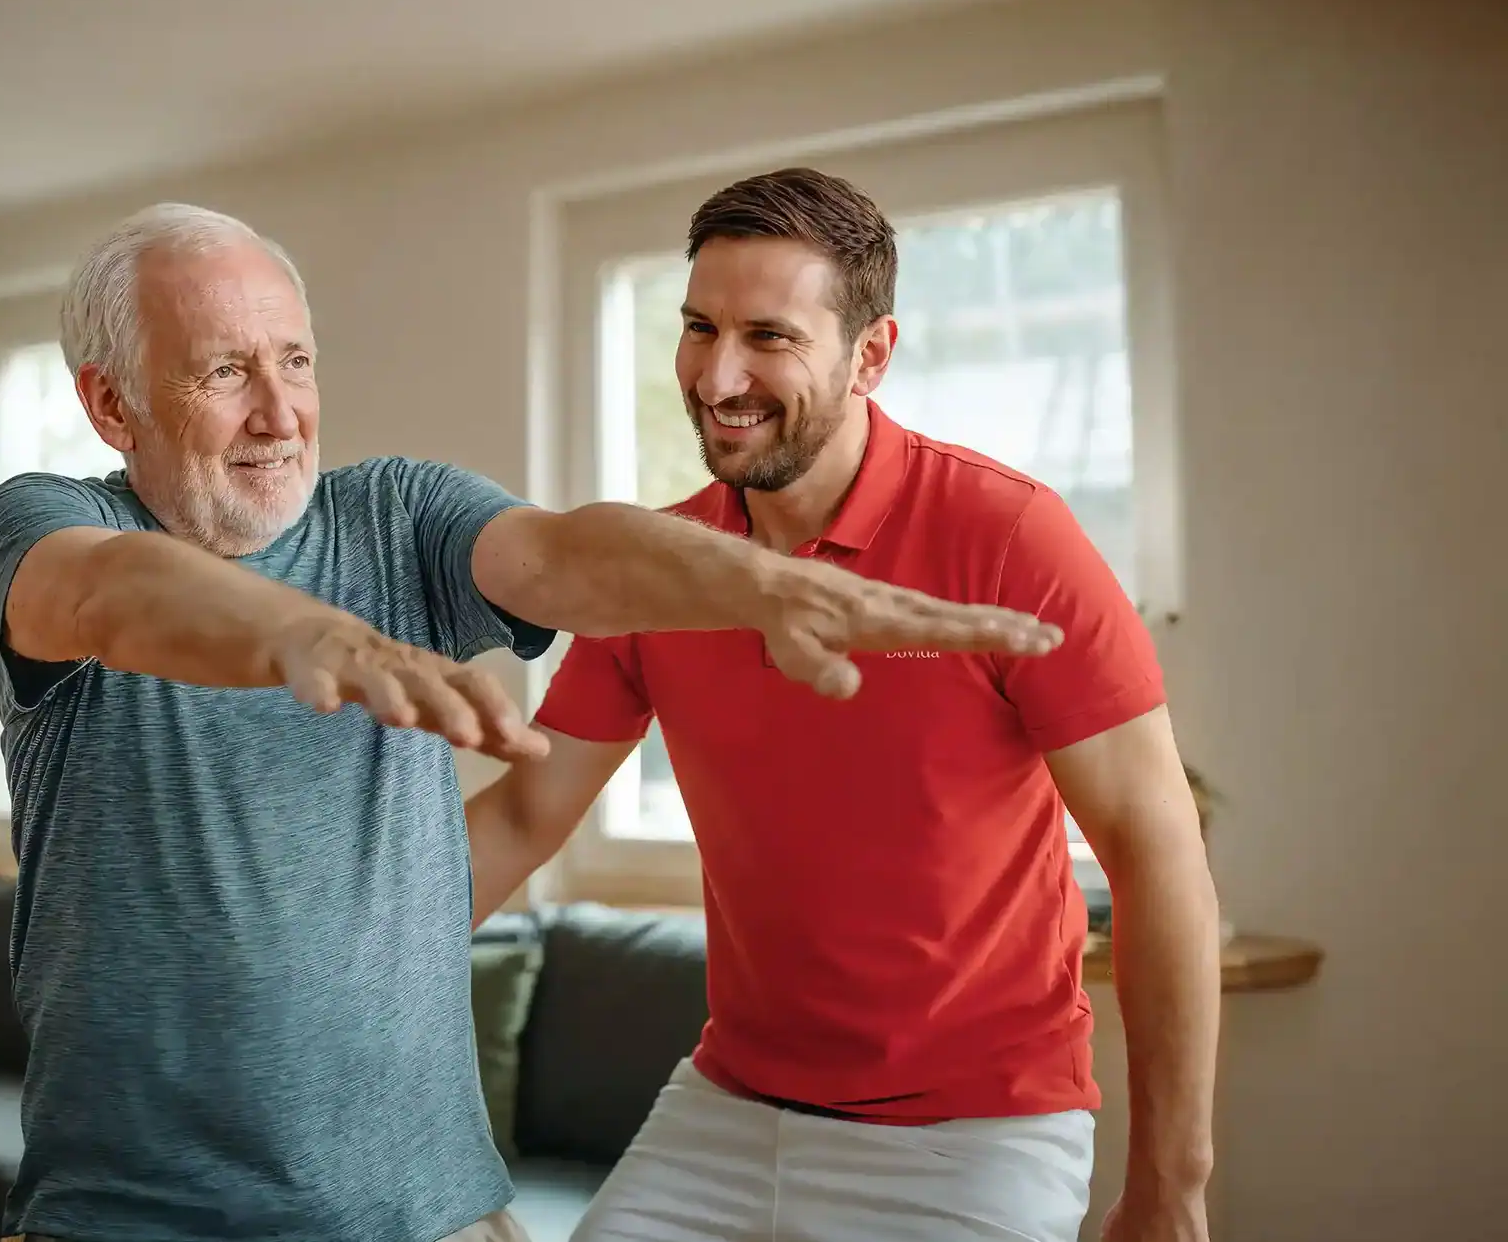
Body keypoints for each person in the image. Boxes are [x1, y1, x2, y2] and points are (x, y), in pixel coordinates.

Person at [0, 201, 1062, 1242]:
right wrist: (301, 635)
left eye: (294, 359)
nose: (280, 410)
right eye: (224, 372)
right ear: (112, 404)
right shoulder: (42, 521)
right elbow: (111, 592)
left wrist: (750, 578)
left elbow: (562, 552)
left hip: (440, 1212)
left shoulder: (391, 513)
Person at [466, 168, 1222, 1242]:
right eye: (697, 327)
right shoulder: (662, 565)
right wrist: (309, 958)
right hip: (723, 1108)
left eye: (767, 335)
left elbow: (1157, 850)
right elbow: (517, 818)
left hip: (974, 1137)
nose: (717, 374)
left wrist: (1170, 1181)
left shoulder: (1005, 536)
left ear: (869, 353)